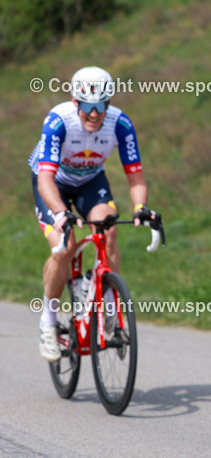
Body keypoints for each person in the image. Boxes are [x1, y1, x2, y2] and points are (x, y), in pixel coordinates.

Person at [30, 66, 157, 362]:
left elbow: (135, 177)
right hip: (51, 183)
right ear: (76, 103)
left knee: (108, 228)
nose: (95, 114)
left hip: (90, 181)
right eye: (88, 107)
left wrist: (141, 209)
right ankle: (48, 322)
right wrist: (61, 213)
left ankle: (108, 300)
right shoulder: (58, 121)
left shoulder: (120, 124)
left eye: (102, 105)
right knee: (65, 248)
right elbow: (45, 179)